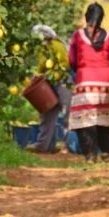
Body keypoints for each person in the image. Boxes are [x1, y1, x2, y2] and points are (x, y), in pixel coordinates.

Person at [67, 2, 109, 162]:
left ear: (86, 17)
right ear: (102, 18)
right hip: (106, 83)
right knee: (102, 115)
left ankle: (90, 154)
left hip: (86, 80)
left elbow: (71, 59)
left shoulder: (78, 35)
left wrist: (77, 70)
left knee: (85, 118)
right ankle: (106, 150)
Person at [26, 24, 72, 153]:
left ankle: (69, 144)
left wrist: (53, 73)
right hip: (49, 82)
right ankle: (44, 146)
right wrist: (37, 76)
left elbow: (65, 63)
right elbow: (41, 65)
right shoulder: (41, 49)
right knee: (47, 113)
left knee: (67, 110)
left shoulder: (56, 45)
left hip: (63, 81)